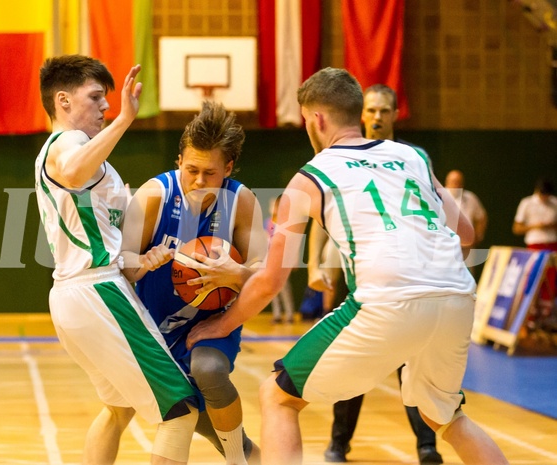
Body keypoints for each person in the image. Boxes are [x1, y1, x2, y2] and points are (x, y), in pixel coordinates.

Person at [187, 67, 509, 465]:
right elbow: (465, 233)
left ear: (316, 120)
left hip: (387, 300)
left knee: (277, 395)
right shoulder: (413, 156)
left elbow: (271, 280)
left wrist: (220, 324)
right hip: (457, 295)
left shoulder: (310, 177)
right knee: (444, 415)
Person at [34, 55, 199, 465]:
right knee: (181, 410)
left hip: (82, 292)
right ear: (63, 101)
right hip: (97, 291)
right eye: (96, 97)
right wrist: (125, 119)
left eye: (107, 100)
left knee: (119, 408)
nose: (106, 107)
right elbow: (72, 172)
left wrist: (146, 260)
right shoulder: (66, 143)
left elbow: (118, 255)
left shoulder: (93, 160)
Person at [121, 101, 268, 465]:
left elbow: (265, 274)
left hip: (212, 324)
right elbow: (120, 265)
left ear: (229, 168)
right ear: (178, 162)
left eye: (210, 173)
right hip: (155, 329)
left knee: (209, 371)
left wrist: (235, 275)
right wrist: (142, 262)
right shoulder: (155, 196)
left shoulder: (241, 201)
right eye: (191, 170)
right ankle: (246, 452)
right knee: (189, 417)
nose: (199, 181)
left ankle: (238, 459)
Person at [307, 83, 444, 464]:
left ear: (396, 114)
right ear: (360, 114)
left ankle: (427, 446)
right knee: (350, 365)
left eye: (385, 110)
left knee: (414, 368)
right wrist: (316, 264)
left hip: (407, 276)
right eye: (371, 110)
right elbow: (320, 210)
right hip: (358, 276)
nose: (378, 116)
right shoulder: (339, 156)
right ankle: (338, 443)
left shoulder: (412, 157)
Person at [513, 177, 557, 327]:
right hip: (534, 245)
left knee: (551, 279)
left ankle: (546, 316)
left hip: (552, 245)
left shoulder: (554, 203)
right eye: (542, 194)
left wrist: (551, 226)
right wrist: (535, 226)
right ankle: (529, 314)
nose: (545, 198)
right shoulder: (527, 203)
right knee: (533, 277)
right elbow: (517, 228)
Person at [265, 195, 296, 323]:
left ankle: (289, 314)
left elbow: (292, 243)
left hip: (283, 259)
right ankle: (277, 315)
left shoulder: (287, 223)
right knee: (272, 289)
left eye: (278, 206)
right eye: (274, 206)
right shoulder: (267, 223)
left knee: (284, 289)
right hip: (270, 259)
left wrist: (293, 260)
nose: (275, 208)